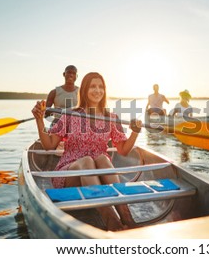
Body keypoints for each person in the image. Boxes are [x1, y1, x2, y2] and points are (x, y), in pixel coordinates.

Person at [32, 72, 142, 231]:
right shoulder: (70, 115)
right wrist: (39, 119)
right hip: (70, 173)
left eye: (101, 87)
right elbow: (49, 145)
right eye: (93, 86)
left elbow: (123, 150)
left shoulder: (111, 117)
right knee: (87, 161)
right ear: (84, 90)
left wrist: (135, 132)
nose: (98, 90)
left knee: (103, 159)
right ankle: (111, 221)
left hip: (100, 171)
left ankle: (127, 217)